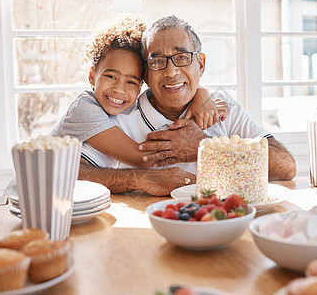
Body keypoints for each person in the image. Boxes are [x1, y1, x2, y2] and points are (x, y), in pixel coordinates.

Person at [78, 15, 296, 196]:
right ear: (145, 73)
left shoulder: (222, 108)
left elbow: (286, 166)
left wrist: (204, 149)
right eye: (157, 61)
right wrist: (140, 178)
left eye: (182, 57)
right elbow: (75, 172)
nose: (171, 72)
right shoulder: (121, 117)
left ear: (200, 64)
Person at [52, 15, 227, 168]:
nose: (119, 89)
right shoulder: (84, 110)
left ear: (144, 83)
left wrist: (199, 93)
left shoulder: (118, 113)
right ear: (91, 76)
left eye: (131, 81)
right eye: (111, 76)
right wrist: (195, 147)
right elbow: (142, 158)